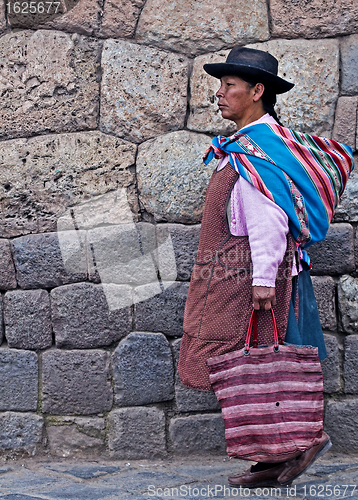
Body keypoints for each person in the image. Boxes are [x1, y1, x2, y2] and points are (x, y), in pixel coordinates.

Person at [178, 46, 354, 488]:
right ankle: (274, 456)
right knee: (260, 364)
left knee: (264, 362)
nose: (219, 94)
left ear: (257, 91)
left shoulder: (257, 153)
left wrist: (261, 282)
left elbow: (268, 220)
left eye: (228, 86)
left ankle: (304, 442)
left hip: (260, 279)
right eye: (220, 86)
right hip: (248, 276)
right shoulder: (248, 146)